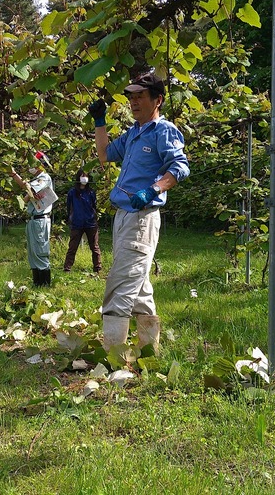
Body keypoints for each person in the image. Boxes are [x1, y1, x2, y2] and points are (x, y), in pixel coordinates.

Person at [89, 72, 190, 353]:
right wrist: (100, 123)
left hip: (142, 216)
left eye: (140, 97)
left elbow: (180, 167)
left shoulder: (163, 130)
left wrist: (154, 189)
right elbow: (105, 154)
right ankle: (149, 351)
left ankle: (113, 356)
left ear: (157, 100)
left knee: (120, 282)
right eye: (131, 97)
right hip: (124, 215)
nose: (133, 102)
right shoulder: (134, 134)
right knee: (139, 286)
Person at [9, 151, 56, 286]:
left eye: (34, 163)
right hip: (33, 219)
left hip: (40, 220)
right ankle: (37, 284)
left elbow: (29, 190)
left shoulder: (44, 178)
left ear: (41, 164)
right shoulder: (35, 180)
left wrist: (14, 175)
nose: (31, 166)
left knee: (41, 251)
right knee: (33, 252)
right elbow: (28, 195)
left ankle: (45, 285)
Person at [64, 169, 101, 274]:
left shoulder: (91, 192)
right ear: (78, 177)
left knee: (94, 247)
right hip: (77, 223)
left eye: (86, 176)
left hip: (90, 223)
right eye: (82, 176)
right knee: (72, 247)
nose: (84, 178)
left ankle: (98, 268)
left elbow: (94, 206)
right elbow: (69, 207)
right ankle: (67, 268)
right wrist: (71, 219)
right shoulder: (72, 192)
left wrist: (94, 218)